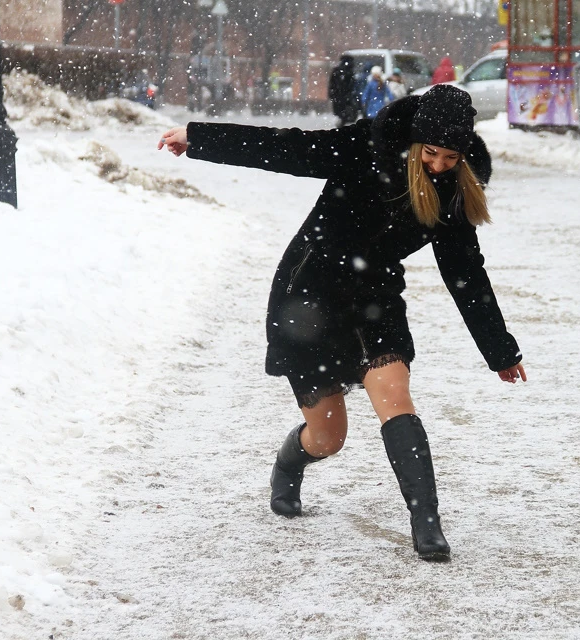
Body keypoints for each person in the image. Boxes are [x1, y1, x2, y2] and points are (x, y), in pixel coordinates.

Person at [156, 85, 527, 562]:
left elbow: (465, 275)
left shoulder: (454, 190)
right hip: (310, 293)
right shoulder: (364, 148)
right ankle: (291, 461)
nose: (437, 165)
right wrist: (200, 138)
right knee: (329, 438)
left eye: (450, 157)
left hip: (376, 297)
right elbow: (285, 147)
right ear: (415, 141)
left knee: (396, 397)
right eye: (430, 153)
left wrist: (500, 350)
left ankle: (426, 524)